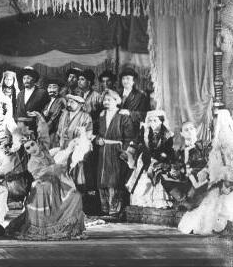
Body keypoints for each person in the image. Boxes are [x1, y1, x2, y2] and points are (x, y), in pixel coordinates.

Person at [6, 136, 86, 240]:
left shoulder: (46, 153)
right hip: (44, 190)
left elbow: (56, 165)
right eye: (28, 148)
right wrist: (55, 167)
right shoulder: (32, 163)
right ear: (26, 151)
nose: (32, 148)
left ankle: (71, 228)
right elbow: (45, 173)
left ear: (37, 143)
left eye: (32, 144)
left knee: (76, 196)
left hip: (56, 185)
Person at [177, 109, 233, 235]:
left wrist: (222, 177)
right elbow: (213, 162)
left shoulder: (226, 140)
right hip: (216, 177)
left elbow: (227, 163)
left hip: (227, 177)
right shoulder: (216, 142)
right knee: (207, 198)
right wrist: (206, 171)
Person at [96, 89, 136, 218]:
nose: (106, 102)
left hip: (117, 151)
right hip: (103, 150)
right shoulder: (101, 115)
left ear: (116, 100)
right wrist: (98, 140)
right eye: (104, 100)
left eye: (109, 99)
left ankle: (115, 210)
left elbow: (129, 137)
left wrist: (124, 151)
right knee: (102, 180)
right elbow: (97, 133)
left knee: (114, 180)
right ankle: (104, 209)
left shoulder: (123, 116)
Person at [126, 110, 175, 209]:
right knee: (143, 179)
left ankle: (158, 201)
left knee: (158, 177)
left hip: (160, 160)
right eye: (150, 120)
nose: (152, 123)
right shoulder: (144, 131)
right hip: (145, 158)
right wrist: (131, 151)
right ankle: (142, 200)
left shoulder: (167, 134)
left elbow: (168, 149)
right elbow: (137, 143)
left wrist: (158, 159)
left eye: (155, 120)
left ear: (161, 121)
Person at [49, 94, 94, 190]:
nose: (69, 104)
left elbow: (87, 136)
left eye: (72, 102)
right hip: (63, 147)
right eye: (68, 101)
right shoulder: (64, 114)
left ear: (80, 104)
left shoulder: (86, 117)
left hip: (76, 150)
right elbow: (59, 132)